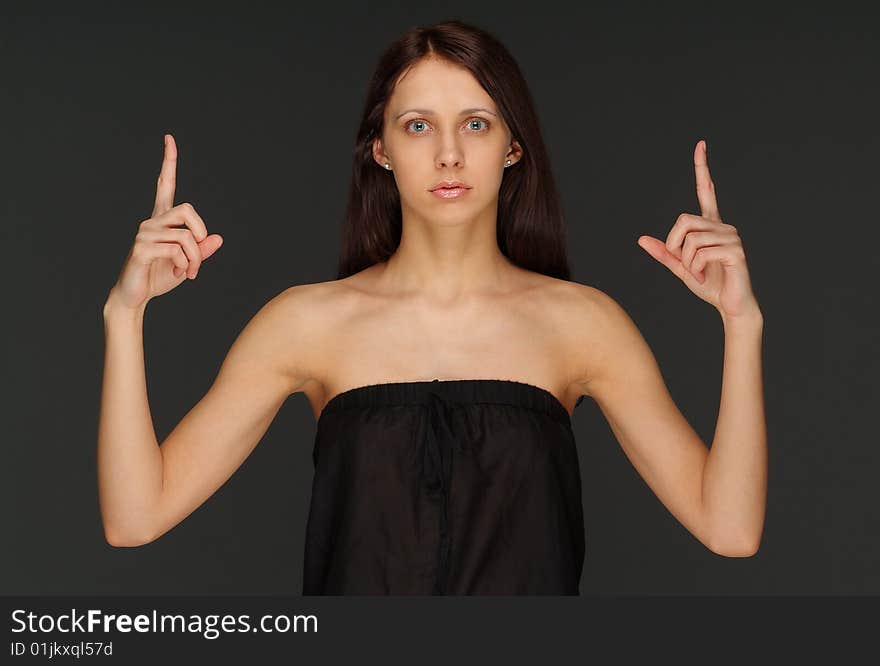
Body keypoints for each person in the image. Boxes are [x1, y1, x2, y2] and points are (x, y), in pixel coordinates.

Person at [98, 20, 767, 595]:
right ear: (380, 149)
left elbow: (730, 528)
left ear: (513, 146)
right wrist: (124, 317)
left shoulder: (584, 325)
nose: (449, 154)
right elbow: (135, 518)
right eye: (418, 126)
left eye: (475, 124)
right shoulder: (304, 324)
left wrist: (742, 325)